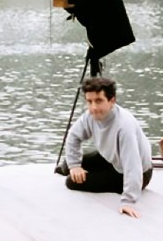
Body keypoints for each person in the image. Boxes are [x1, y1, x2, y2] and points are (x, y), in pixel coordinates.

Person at [63, 77, 153, 218]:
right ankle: (73, 168)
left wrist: (128, 201)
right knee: (68, 164)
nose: (93, 107)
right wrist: (74, 166)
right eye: (89, 101)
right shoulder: (90, 116)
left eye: (99, 101)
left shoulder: (124, 127)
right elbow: (73, 136)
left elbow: (133, 166)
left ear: (112, 101)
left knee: (71, 181)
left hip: (135, 173)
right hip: (112, 159)